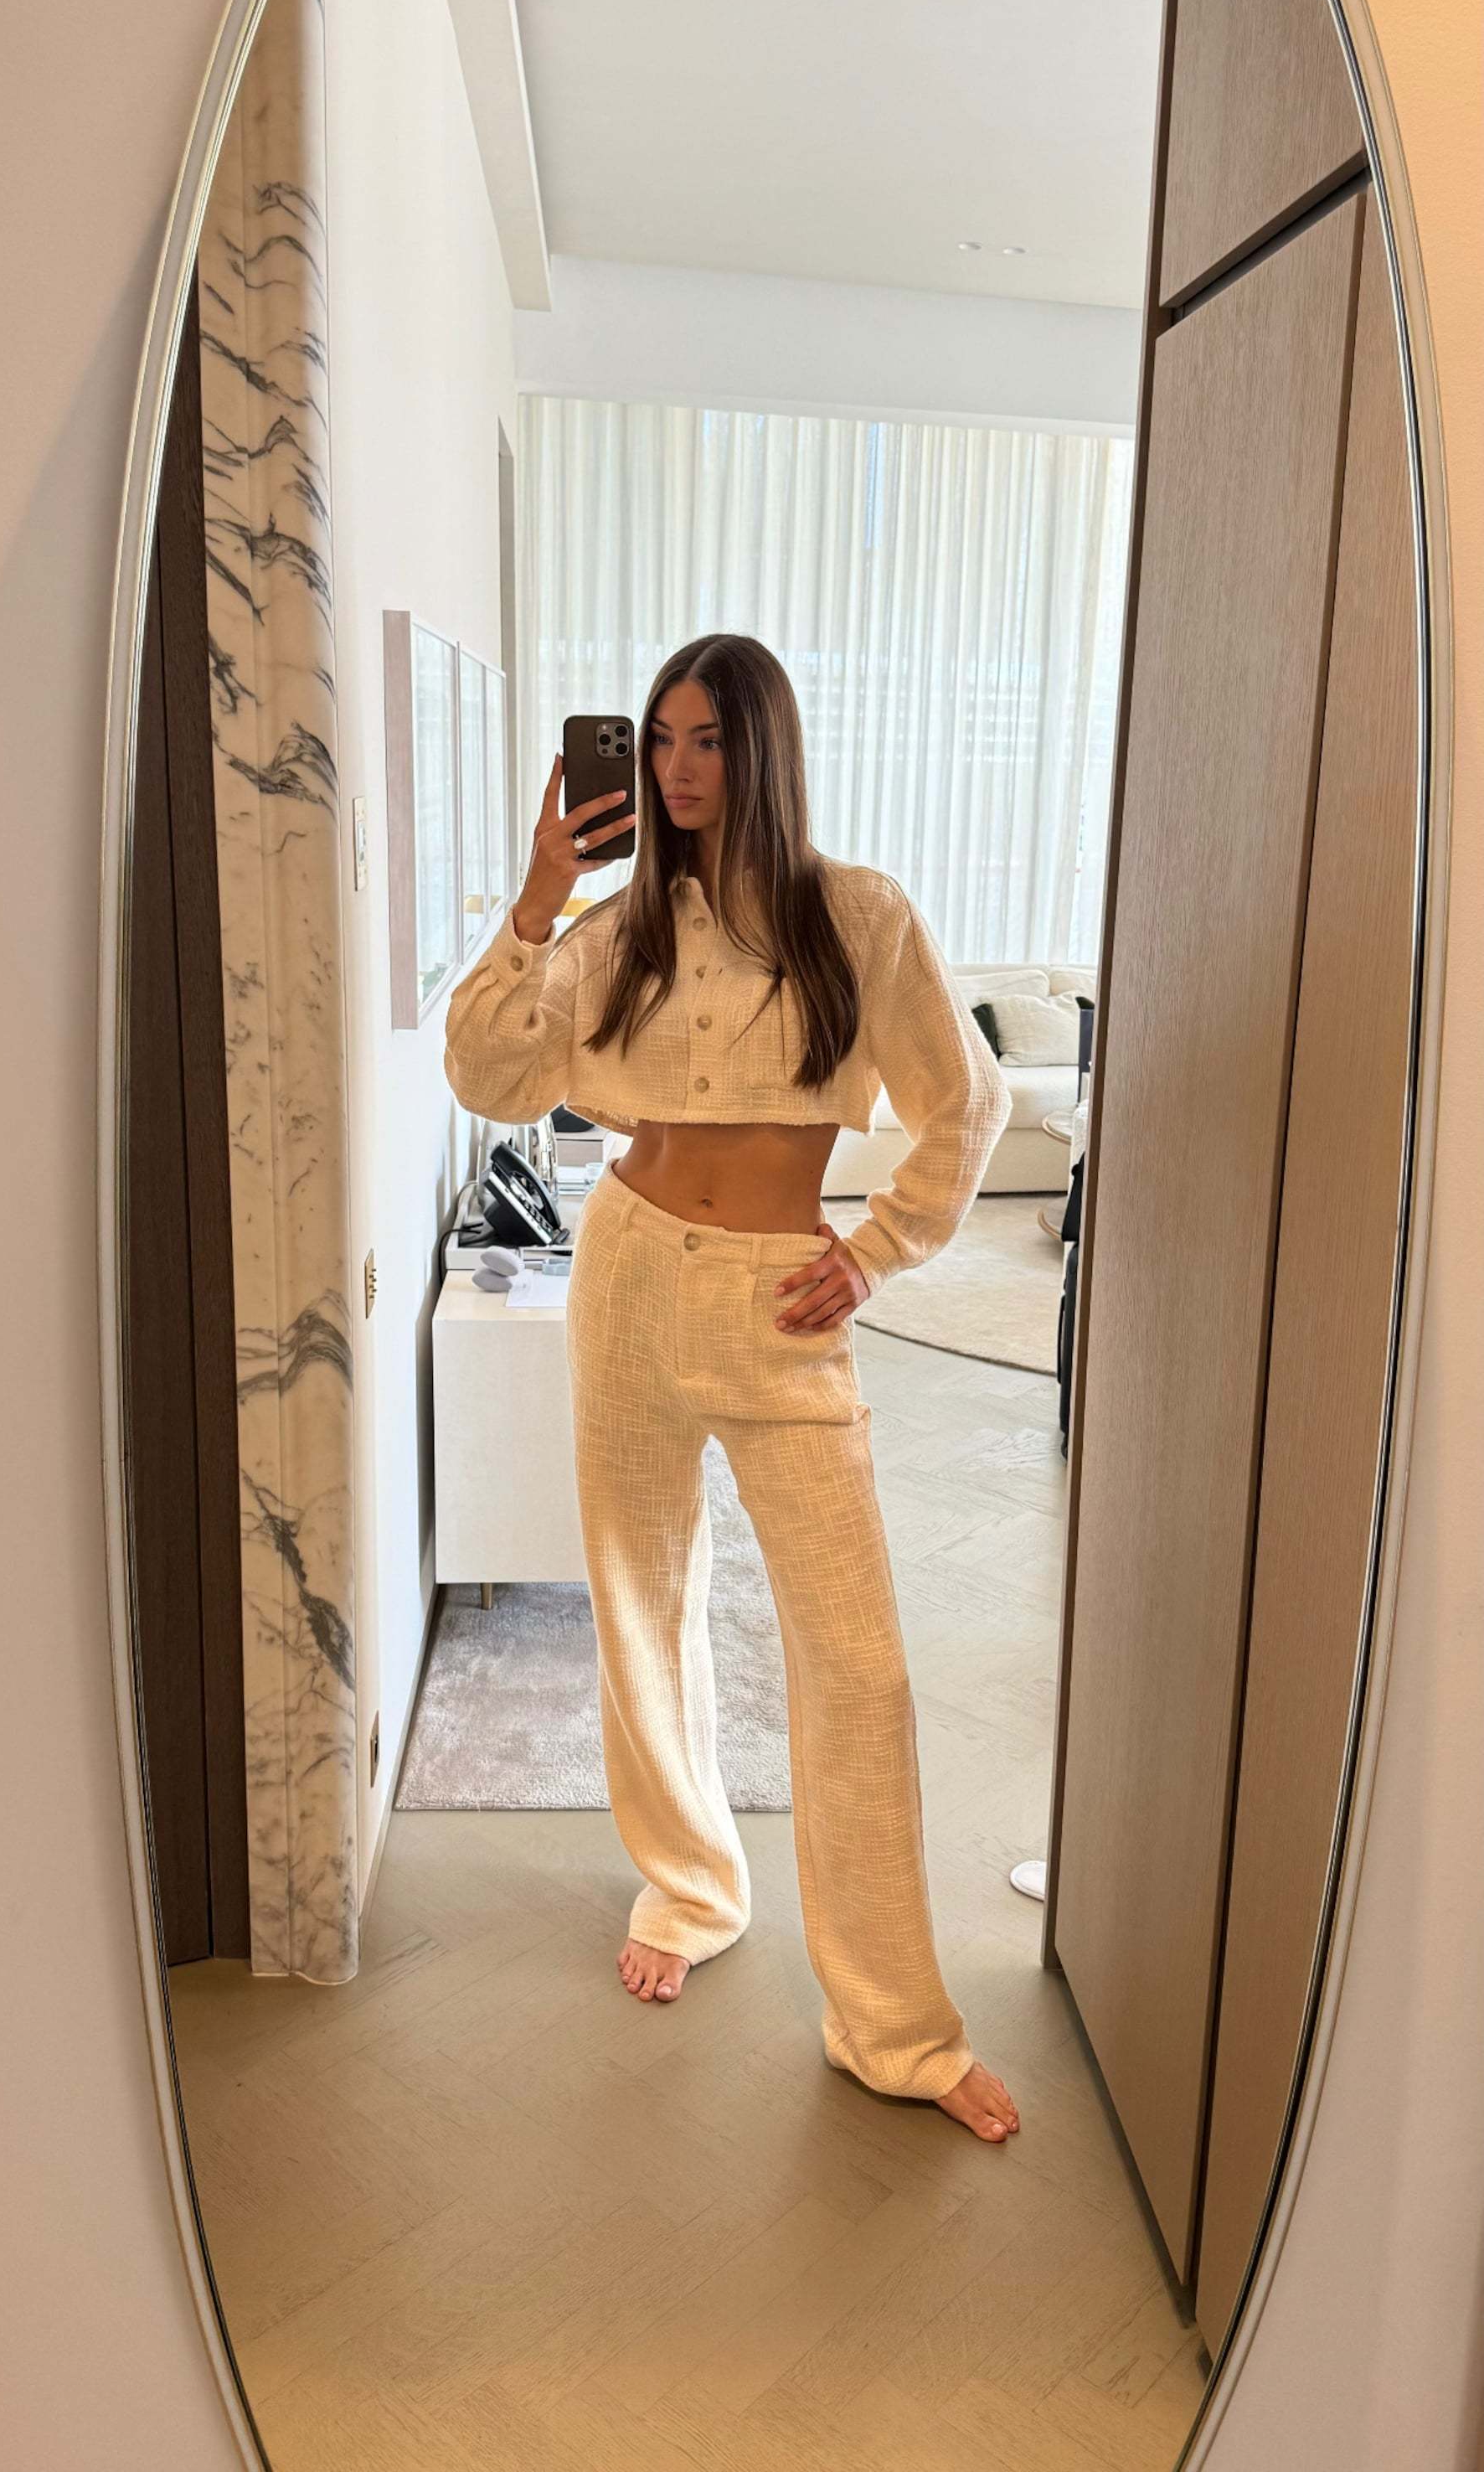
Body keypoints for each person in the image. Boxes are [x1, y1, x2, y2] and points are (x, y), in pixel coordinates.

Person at [444, 633, 1020, 2144]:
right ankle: (693, 1887)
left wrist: (877, 1253)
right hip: (628, 1271)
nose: (679, 770)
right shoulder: (616, 930)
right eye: (660, 741)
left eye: (707, 740)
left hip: (779, 1298)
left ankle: (894, 2026)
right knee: (640, 1596)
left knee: (858, 1662)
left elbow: (968, 1103)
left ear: (762, 749)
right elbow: (490, 1080)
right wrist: (537, 899)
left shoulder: (857, 917)